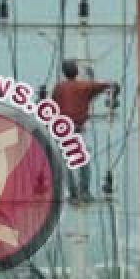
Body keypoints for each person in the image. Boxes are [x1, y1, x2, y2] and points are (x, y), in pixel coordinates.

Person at [51, 60, 119, 203]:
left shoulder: (59, 88)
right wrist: (112, 86)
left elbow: (53, 106)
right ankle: (85, 192)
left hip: (61, 129)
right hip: (76, 128)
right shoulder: (84, 87)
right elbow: (104, 86)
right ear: (76, 72)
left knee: (67, 161)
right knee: (83, 161)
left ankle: (74, 194)